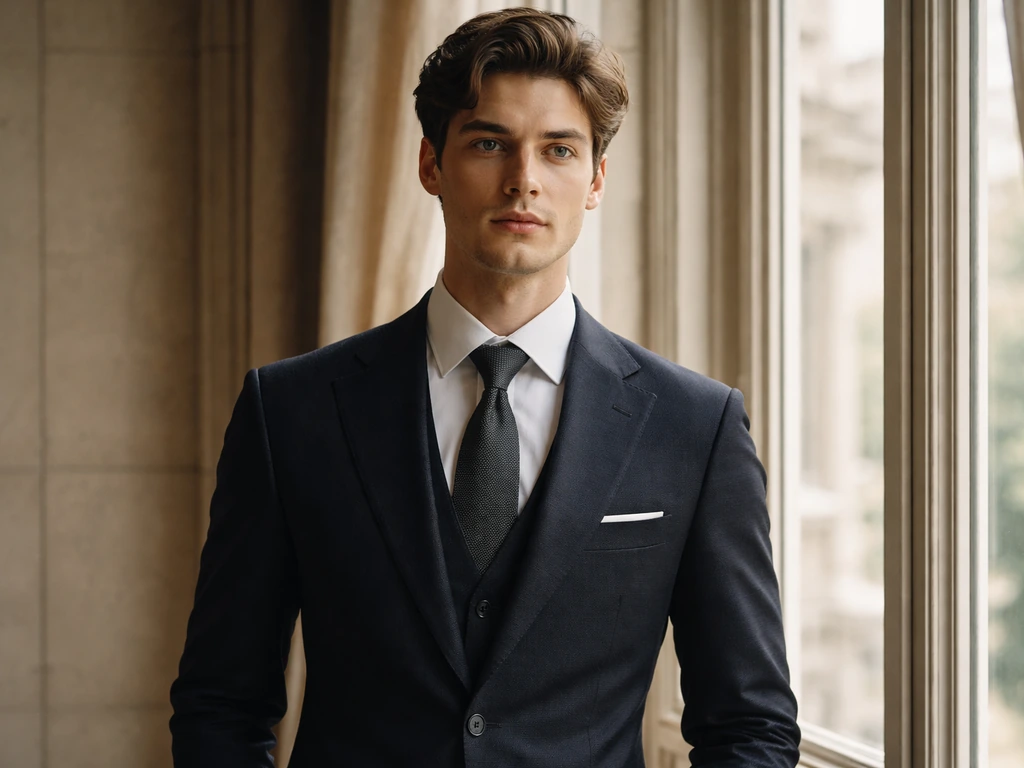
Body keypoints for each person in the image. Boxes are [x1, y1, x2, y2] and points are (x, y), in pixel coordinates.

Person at [169, 8, 800, 767]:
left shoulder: (695, 428)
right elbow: (221, 703)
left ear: (595, 180)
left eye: (558, 150)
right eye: (490, 142)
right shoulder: (292, 412)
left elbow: (750, 726)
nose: (523, 180)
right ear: (431, 165)